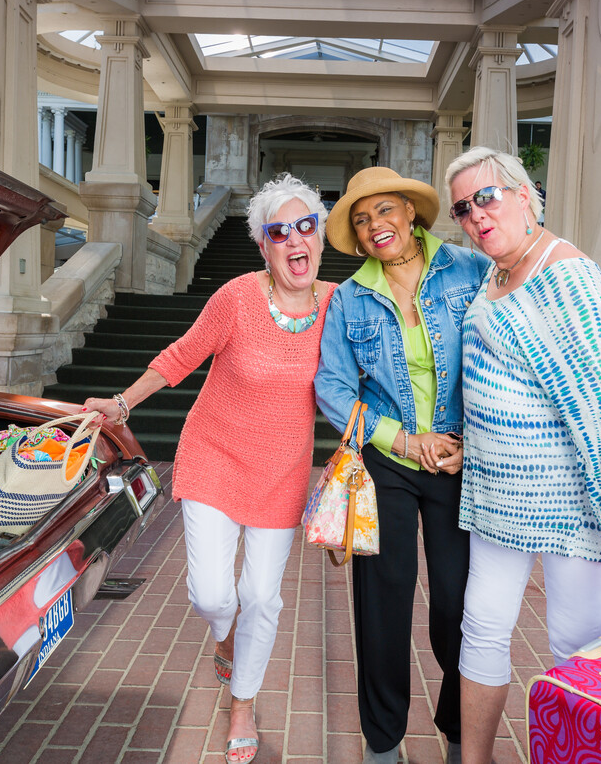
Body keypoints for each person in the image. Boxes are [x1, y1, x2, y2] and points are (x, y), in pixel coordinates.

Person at [84, 174, 335, 764]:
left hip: (281, 472)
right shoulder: (237, 298)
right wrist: (122, 405)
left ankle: (242, 703)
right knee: (213, 593)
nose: (296, 240)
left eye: (307, 226)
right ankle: (225, 639)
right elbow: (182, 354)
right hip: (215, 456)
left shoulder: (337, 305)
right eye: (280, 232)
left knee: (264, 597)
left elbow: (358, 378)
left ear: (320, 237)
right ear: (265, 247)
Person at [443, 147, 601, 764]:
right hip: (496, 500)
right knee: (483, 630)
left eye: (487, 197)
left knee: (575, 645)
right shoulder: (497, 273)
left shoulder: (564, 275)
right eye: (463, 208)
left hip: (569, 503)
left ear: (523, 193)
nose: (476, 215)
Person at [315, 166, 489, 764]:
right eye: (362, 221)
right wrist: (402, 439)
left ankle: (459, 727)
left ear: (410, 213)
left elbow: (504, 358)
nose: (374, 227)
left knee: (458, 604)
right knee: (382, 604)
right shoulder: (349, 296)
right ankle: (383, 743)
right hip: (386, 460)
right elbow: (333, 388)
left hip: (463, 459)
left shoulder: (471, 271)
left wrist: (474, 439)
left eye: (384, 211)